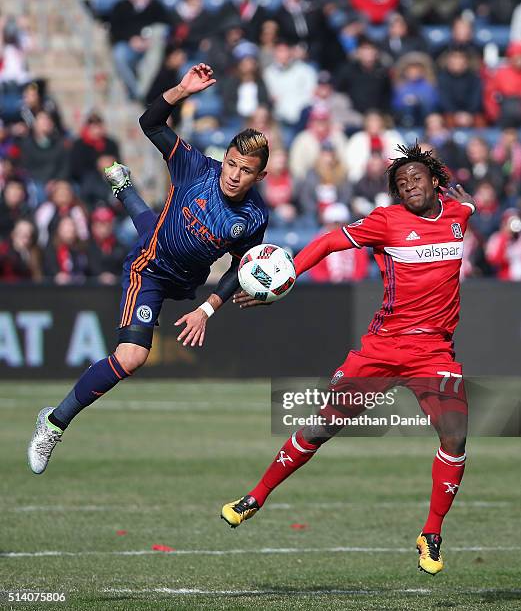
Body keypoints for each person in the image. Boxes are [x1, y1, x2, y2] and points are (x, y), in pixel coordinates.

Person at [223, 143, 476, 577]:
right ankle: (255, 496)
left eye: (416, 177)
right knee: (322, 427)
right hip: (382, 347)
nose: (409, 185)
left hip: (433, 351)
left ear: (435, 182)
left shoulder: (459, 215)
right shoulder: (386, 221)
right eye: (401, 183)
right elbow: (325, 242)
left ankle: (431, 532)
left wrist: (437, 167)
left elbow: (462, 196)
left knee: (456, 438)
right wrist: (284, 279)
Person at [27, 64, 269, 474]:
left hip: (188, 279)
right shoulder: (196, 168)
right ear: (224, 158)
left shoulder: (254, 217)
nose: (234, 175)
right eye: (231, 163)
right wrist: (181, 90)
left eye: (246, 171)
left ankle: (124, 189)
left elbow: (239, 267)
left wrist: (209, 307)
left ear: (259, 175)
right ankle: (53, 422)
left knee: (157, 227)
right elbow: (149, 122)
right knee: (132, 357)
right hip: (150, 271)